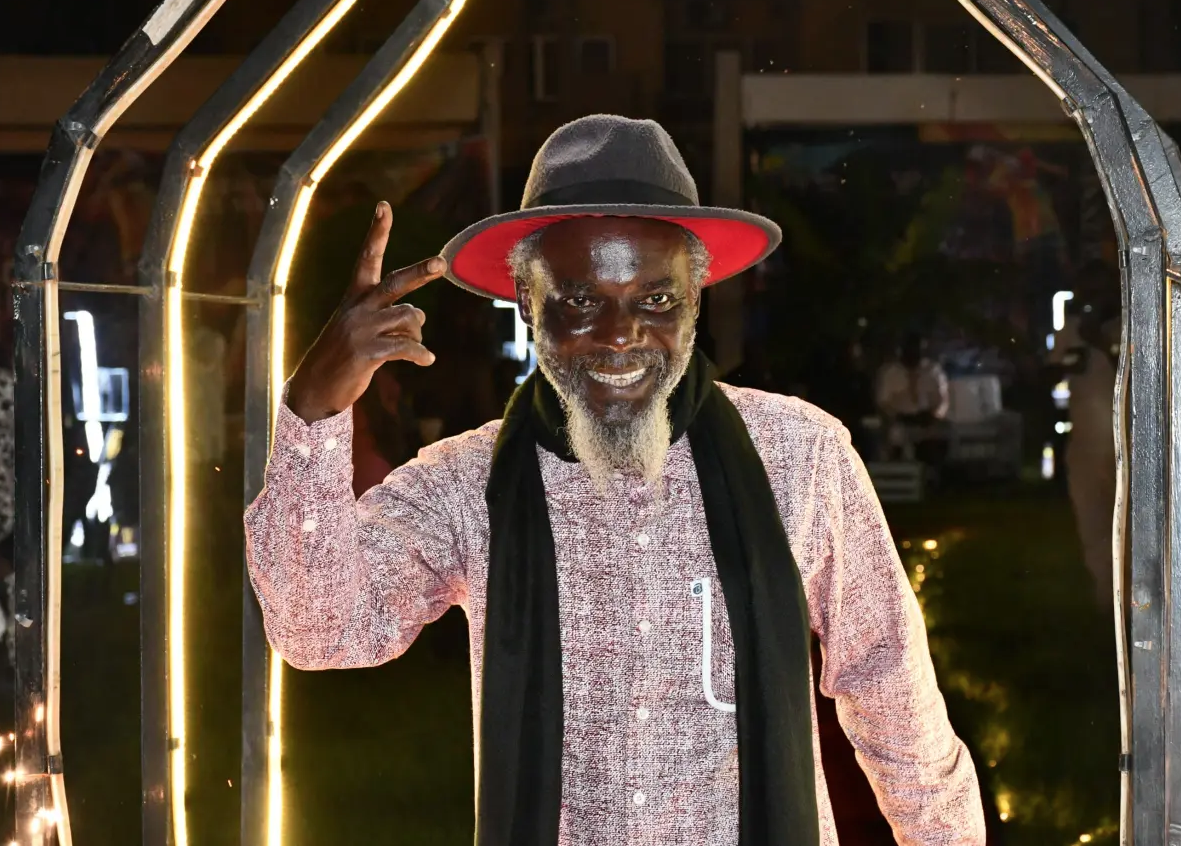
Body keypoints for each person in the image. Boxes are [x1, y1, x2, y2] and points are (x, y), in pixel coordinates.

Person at [245, 115, 984, 845]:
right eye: (580, 301)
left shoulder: (799, 456)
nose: (620, 335)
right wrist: (314, 410)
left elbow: (888, 683)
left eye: (655, 300)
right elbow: (322, 631)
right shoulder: (467, 484)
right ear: (527, 301)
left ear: (695, 297)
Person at [1049, 262, 1120, 611]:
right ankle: (1105, 595)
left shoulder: (1129, 324)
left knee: (1127, 517)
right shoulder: (1072, 327)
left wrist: (1102, 343)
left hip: (1125, 441)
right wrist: (1067, 363)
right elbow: (1052, 370)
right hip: (1085, 438)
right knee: (1091, 514)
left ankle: (1135, 596)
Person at [875, 332, 950, 464]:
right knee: (894, 437)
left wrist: (934, 416)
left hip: (927, 421)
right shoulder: (890, 373)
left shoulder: (933, 371)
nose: (913, 353)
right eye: (910, 350)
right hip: (900, 422)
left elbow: (942, 401)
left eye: (917, 350)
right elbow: (883, 402)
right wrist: (895, 417)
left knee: (942, 437)